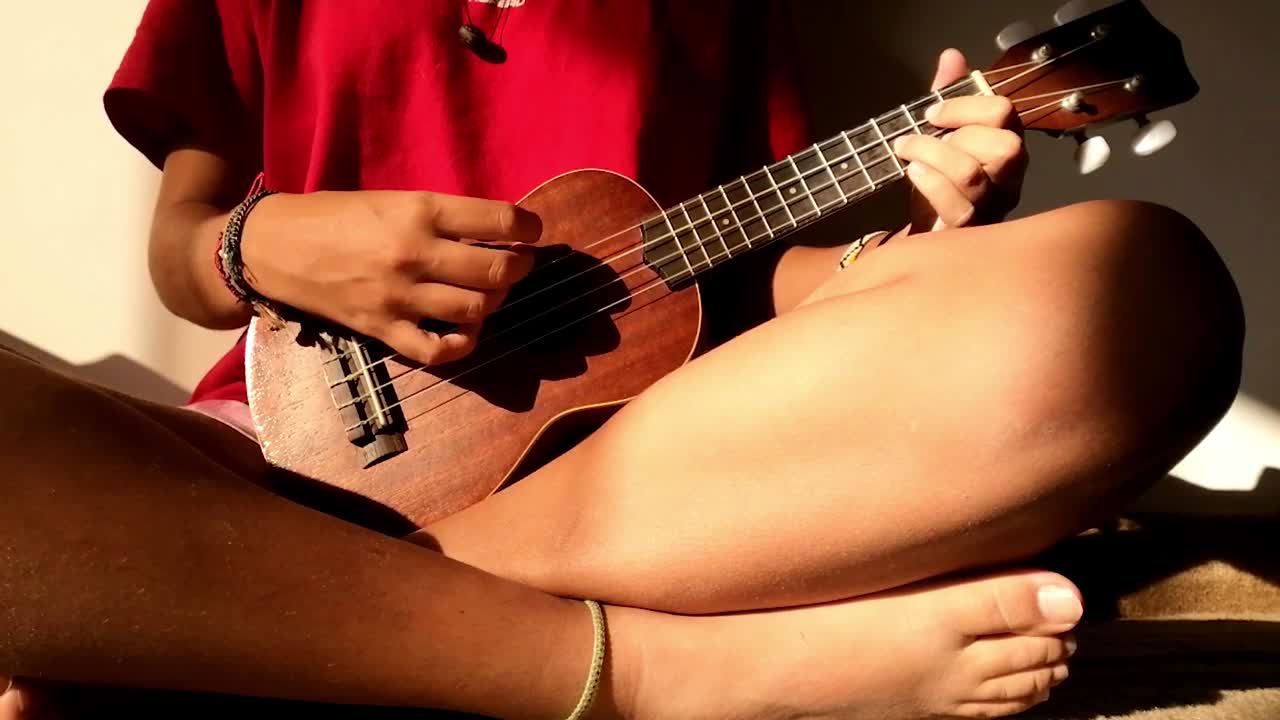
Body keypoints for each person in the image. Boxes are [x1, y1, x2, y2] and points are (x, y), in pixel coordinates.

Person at [0, 1, 1243, 718]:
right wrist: (252, 242)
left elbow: (719, 274)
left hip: (623, 481)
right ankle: (674, 673)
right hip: (283, 449)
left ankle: (265, 629)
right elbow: (180, 252)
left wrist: (927, 244)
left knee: (1142, 288)